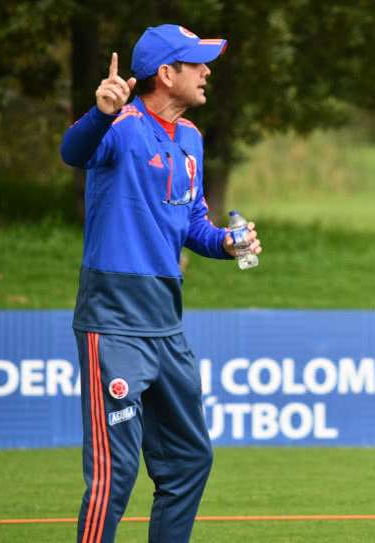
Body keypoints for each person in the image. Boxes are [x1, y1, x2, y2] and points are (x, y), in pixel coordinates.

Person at [60, 24, 261, 543]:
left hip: (165, 325)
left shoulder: (191, 137)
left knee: (190, 459)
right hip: (115, 321)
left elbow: (192, 223)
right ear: (166, 74)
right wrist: (100, 112)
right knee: (116, 472)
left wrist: (227, 244)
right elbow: (73, 152)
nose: (207, 71)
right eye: (196, 63)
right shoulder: (120, 125)